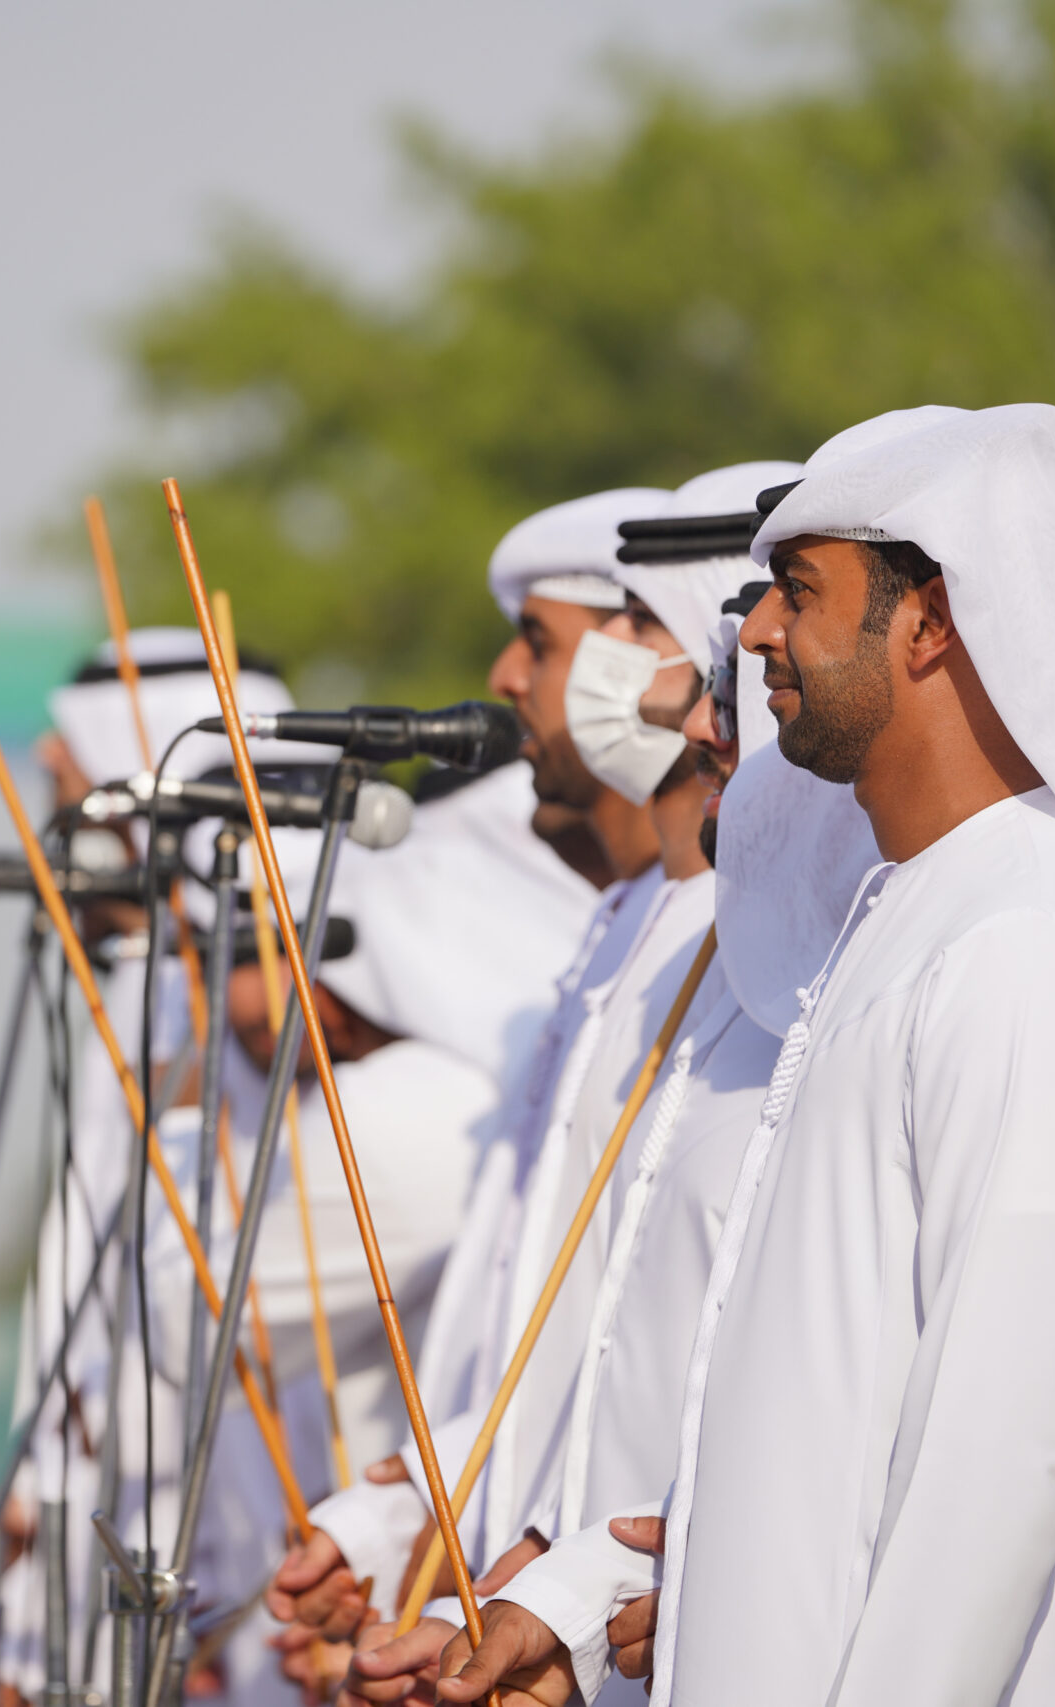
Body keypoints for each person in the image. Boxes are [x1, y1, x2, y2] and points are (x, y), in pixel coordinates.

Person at [443, 403, 1055, 1707]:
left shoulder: (1033, 943)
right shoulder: (905, 919)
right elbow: (835, 1403)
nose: (749, 635)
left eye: (795, 591)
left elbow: (1003, 1453)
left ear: (929, 619)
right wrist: (584, 1600)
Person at [343, 465, 872, 1706]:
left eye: (643, 625)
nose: (644, 684)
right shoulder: (655, 930)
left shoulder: (851, 950)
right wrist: (498, 1575)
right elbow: (584, 1355)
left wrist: (575, 1595)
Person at [265, 488, 671, 1699]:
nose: (502, 676)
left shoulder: (745, 962)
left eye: (537, 644)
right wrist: (404, 1530)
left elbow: (700, 1365)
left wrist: (541, 1605)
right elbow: (555, 1363)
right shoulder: (622, 944)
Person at [140, 760, 598, 1700]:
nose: (224, 1002)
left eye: (245, 951)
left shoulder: (410, 1108)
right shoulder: (475, 1090)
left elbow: (186, 1326)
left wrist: (192, 1109)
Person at [0, 629, 322, 1706]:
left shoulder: (245, 1006)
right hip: (113, 1531)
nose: (54, 830)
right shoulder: (135, 991)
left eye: (72, 790)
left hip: (251, 1570)